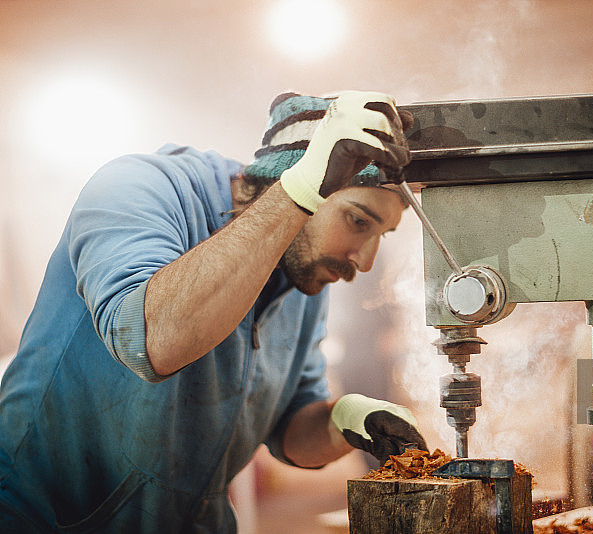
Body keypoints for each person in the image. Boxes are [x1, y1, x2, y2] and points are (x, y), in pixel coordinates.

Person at [0, 90, 428, 533]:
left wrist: (346, 418)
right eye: (358, 221)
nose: (365, 261)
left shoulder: (304, 278)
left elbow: (289, 433)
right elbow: (150, 341)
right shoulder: (138, 185)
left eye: (383, 234)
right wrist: (298, 192)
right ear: (299, 178)